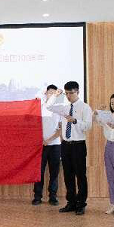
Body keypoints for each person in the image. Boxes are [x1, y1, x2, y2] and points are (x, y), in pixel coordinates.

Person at [47, 81, 93, 215]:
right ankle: (71, 202)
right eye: (66, 93)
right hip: (65, 145)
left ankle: (81, 204)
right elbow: (49, 106)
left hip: (78, 145)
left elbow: (88, 126)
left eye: (71, 93)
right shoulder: (64, 107)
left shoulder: (85, 107)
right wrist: (55, 95)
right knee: (68, 175)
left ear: (77, 92)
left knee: (80, 175)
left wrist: (75, 121)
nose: (68, 96)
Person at [33, 85, 62, 206]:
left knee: (54, 172)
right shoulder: (39, 108)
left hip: (55, 145)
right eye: (50, 93)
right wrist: (42, 140)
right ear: (46, 93)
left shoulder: (59, 110)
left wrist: (49, 140)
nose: (52, 95)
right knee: (38, 172)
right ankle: (37, 196)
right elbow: (33, 126)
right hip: (40, 145)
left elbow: (60, 130)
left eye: (54, 93)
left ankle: (53, 197)